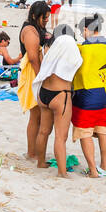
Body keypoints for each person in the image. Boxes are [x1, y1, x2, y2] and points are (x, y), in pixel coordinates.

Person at [33, 23, 81, 177]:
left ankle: (40, 162)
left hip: (44, 93)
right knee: (61, 137)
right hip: (61, 95)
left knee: (43, 131)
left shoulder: (48, 49)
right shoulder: (71, 47)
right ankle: (62, 173)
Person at [72, 15, 106, 177]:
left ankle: (93, 171)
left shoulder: (83, 48)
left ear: (86, 29)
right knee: (103, 130)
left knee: (85, 132)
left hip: (88, 94)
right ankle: (104, 166)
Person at [18, 2, 53, 161]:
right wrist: (41, 79)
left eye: (48, 17)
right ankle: (32, 153)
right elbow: (33, 58)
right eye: (44, 17)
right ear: (34, 15)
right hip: (33, 74)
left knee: (39, 115)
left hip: (38, 73)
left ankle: (35, 151)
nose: (46, 20)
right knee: (35, 114)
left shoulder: (37, 28)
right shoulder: (29, 31)